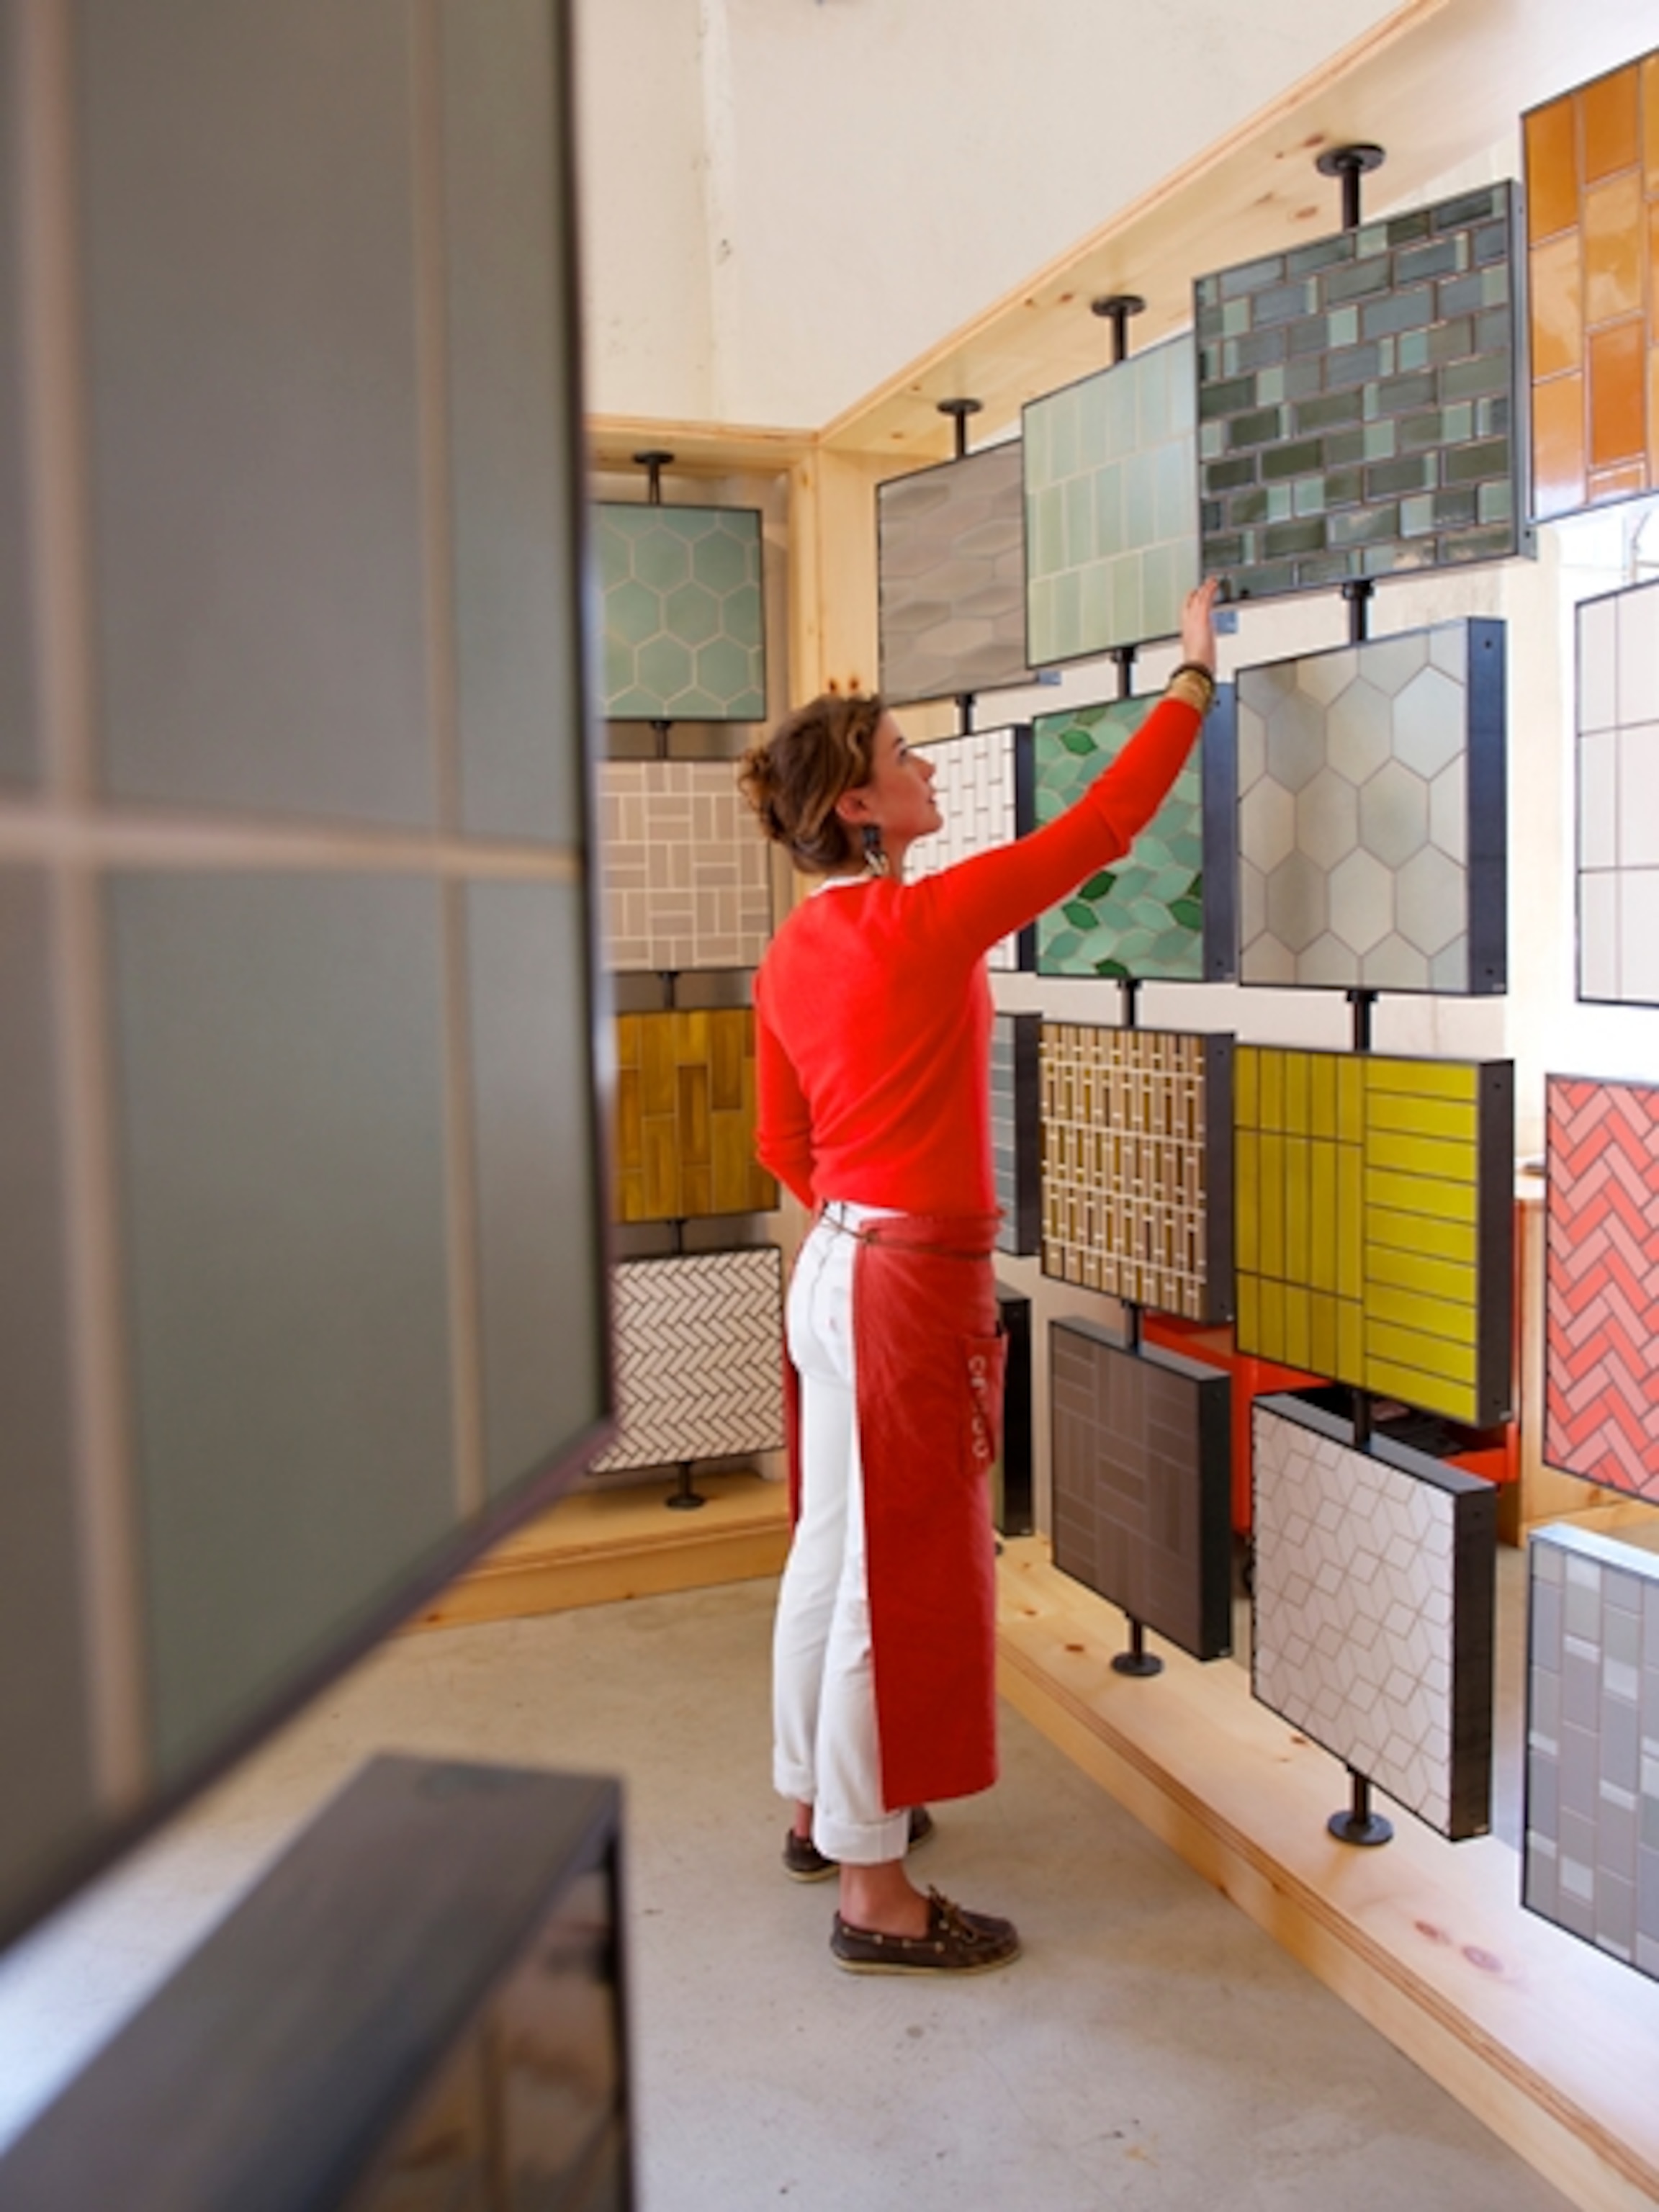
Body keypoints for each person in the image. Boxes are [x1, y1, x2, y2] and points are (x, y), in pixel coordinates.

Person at [737, 579, 1220, 1975]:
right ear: (857, 811)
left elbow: (783, 1139)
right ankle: (874, 1898)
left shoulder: (797, 950)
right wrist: (1189, 678)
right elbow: (1105, 828)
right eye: (903, 757)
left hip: (840, 1271)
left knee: (834, 1556)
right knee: (900, 1581)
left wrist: (869, 1216)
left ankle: (815, 1813)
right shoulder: (918, 927)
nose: (927, 766)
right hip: (899, 1288)